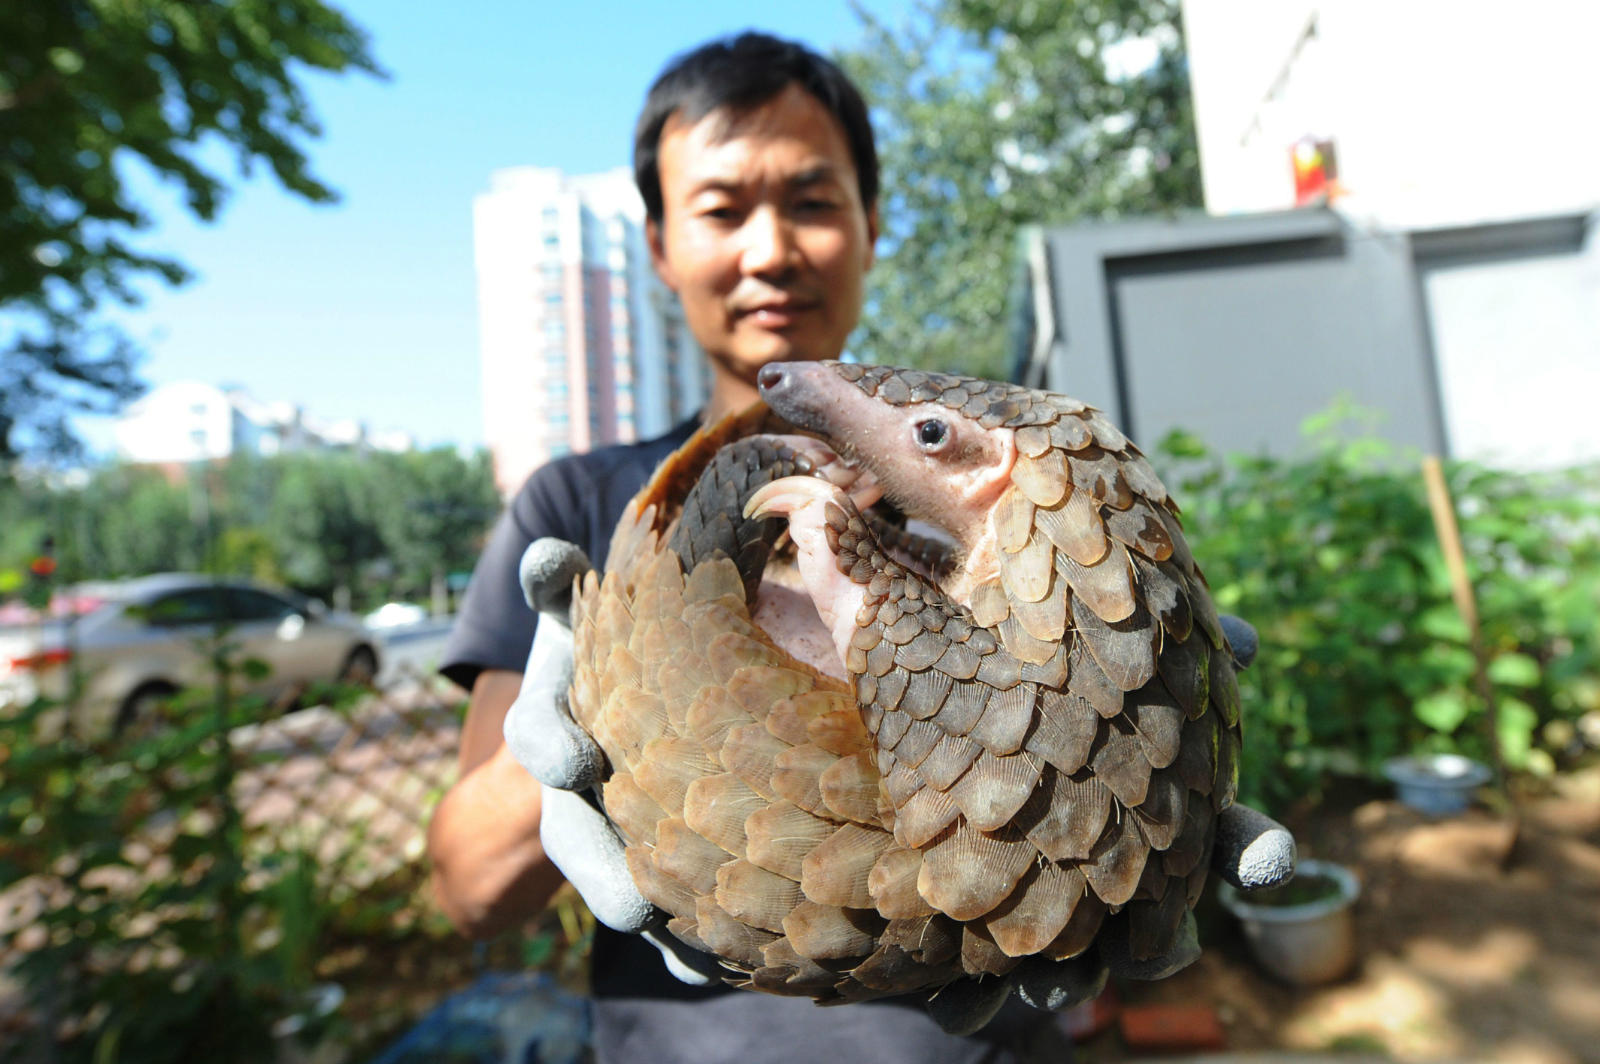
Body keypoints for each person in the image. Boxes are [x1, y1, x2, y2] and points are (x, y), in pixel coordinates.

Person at [429, 32, 1293, 1064]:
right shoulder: (574, 502)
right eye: (720, 209)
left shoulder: (986, 485)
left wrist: (1145, 744)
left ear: (871, 224)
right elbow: (468, 889)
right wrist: (580, 721)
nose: (768, 249)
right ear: (659, 246)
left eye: (809, 200)